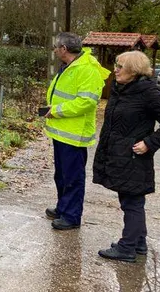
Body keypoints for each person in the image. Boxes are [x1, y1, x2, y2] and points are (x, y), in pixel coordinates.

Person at [93, 51, 160, 262]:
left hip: (133, 158)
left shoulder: (147, 92)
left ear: (134, 70)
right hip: (118, 155)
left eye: (120, 66)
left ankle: (127, 248)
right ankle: (138, 242)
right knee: (130, 199)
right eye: (116, 65)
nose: (115, 69)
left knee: (132, 201)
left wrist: (149, 143)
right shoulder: (121, 89)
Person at [43, 32, 110, 230]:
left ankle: (71, 216)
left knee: (72, 177)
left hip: (74, 133)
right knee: (62, 175)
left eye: (56, 47)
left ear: (64, 49)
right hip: (62, 131)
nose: (55, 50)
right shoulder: (71, 66)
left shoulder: (86, 69)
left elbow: (87, 102)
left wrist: (56, 111)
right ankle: (63, 207)